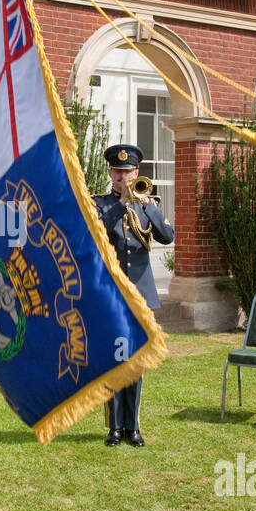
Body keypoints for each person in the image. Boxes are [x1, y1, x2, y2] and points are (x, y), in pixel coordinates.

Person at [93, 143, 175, 447]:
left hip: (140, 294)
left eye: (127, 172)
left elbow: (168, 236)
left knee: (136, 361)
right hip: (112, 295)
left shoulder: (148, 202)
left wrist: (145, 204)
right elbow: (94, 231)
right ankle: (114, 427)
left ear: (137, 173)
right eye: (117, 172)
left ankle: (133, 426)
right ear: (111, 173)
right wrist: (122, 202)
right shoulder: (100, 204)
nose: (122, 177)